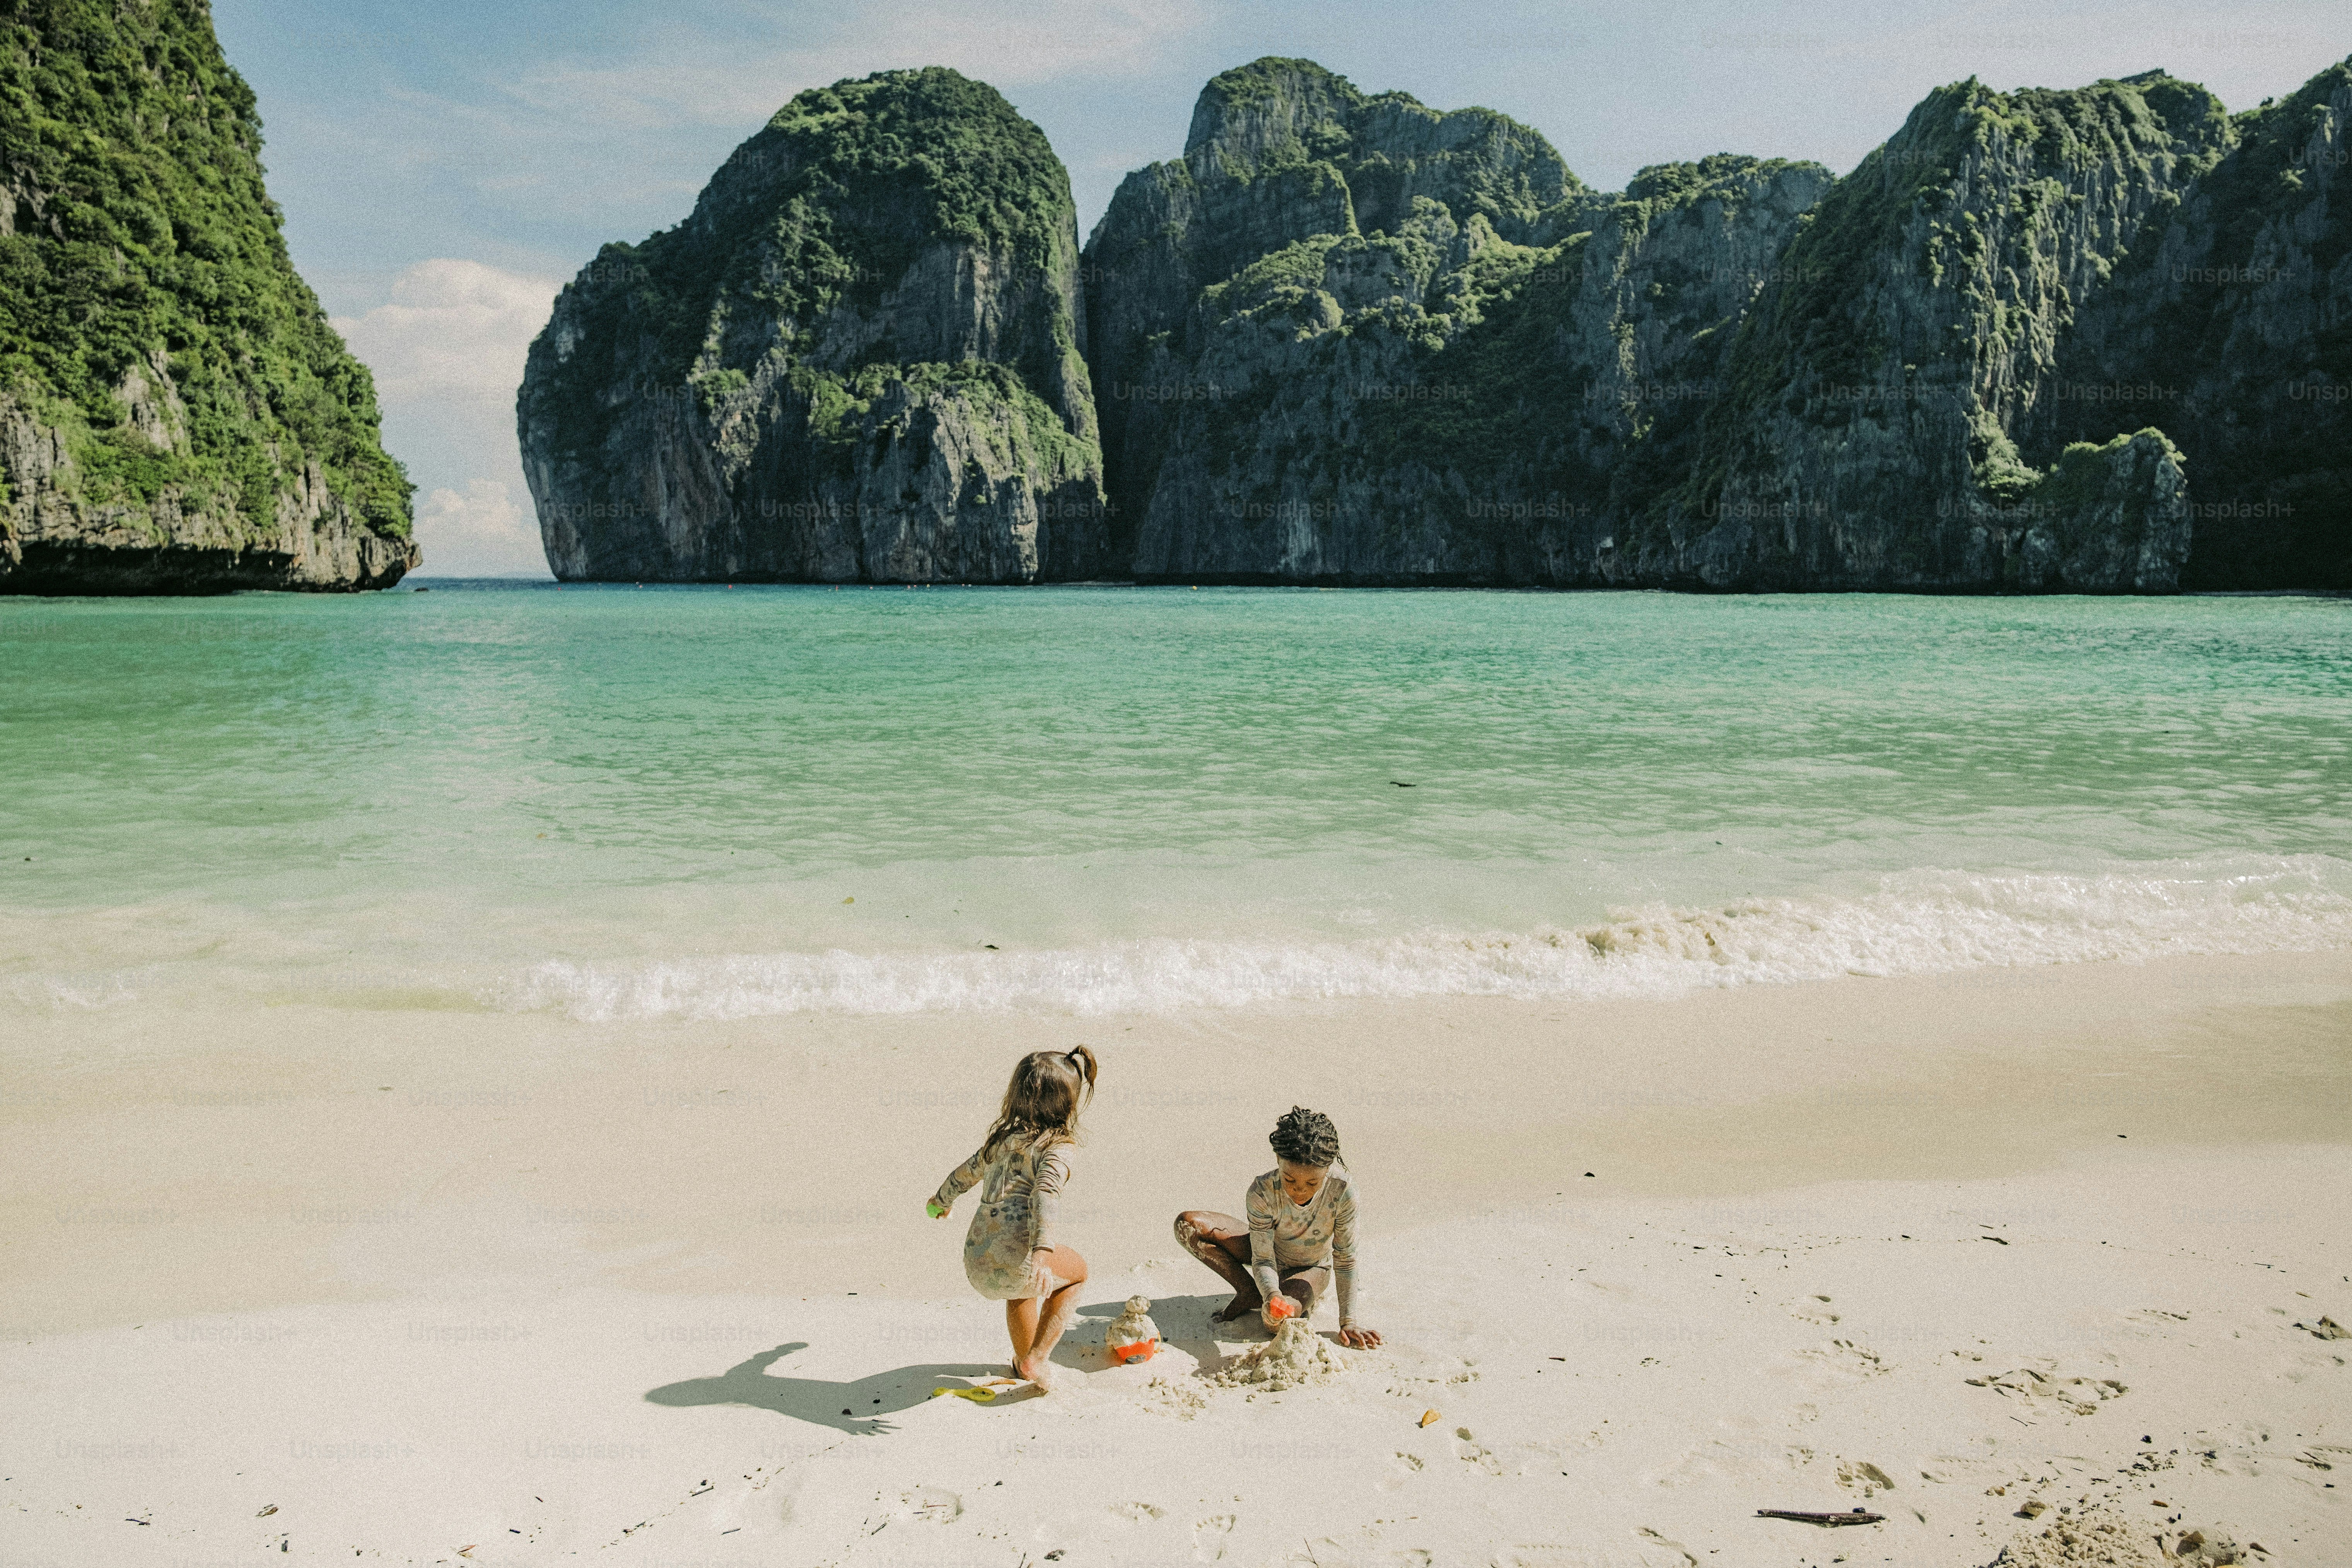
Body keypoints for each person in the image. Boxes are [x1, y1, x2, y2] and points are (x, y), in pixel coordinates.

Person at [928, 1046, 1099, 1387]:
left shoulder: (1000, 1141)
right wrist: (1041, 1250)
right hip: (1018, 1256)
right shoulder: (1059, 1146)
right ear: (1070, 1103)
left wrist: (940, 1201)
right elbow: (1046, 1192)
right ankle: (1037, 1356)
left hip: (976, 1261)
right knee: (1077, 1273)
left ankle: (1026, 1365)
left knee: (1020, 1290)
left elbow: (964, 1174)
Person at [1174, 1105, 1381, 1349]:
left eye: (1312, 1182)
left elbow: (1345, 1259)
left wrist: (1348, 1321)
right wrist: (1272, 1293)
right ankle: (1248, 1291)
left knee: (1275, 1323)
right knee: (1188, 1226)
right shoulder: (1262, 1191)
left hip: (1311, 1268)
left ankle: (1290, 1297)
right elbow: (1262, 1259)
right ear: (1278, 1160)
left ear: (1328, 1169)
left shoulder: (1342, 1191)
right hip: (1267, 1251)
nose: (1299, 1189)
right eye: (1290, 1179)